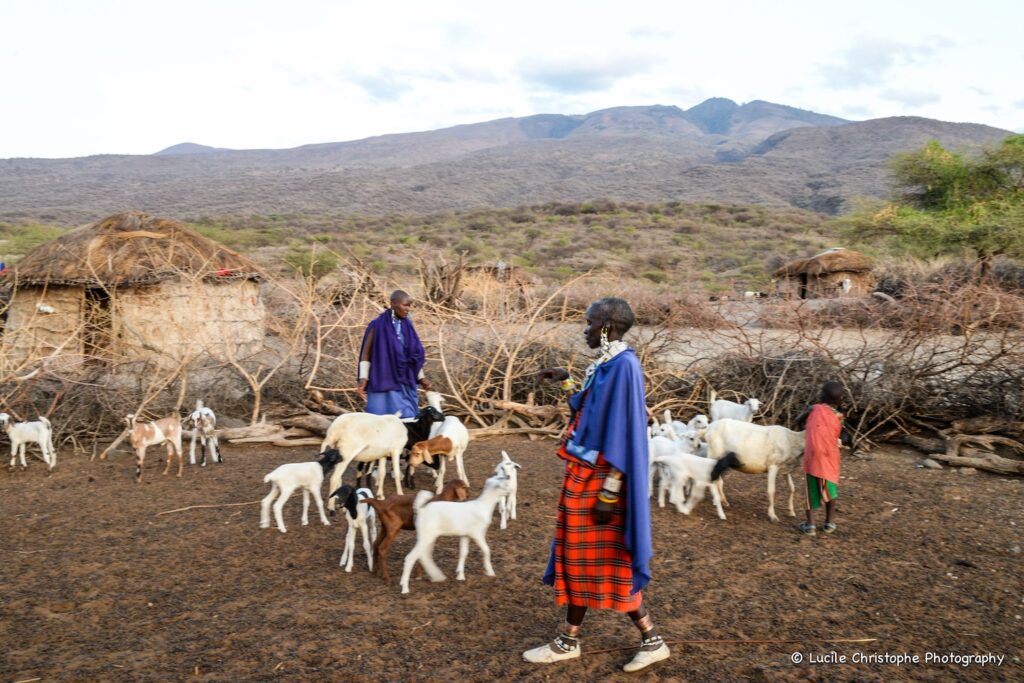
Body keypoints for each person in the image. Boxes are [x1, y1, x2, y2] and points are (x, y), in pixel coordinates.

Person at [524, 297, 669, 673]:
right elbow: (592, 410)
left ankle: (643, 640)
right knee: (583, 558)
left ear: (605, 328)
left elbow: (622, 432)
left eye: (589, 324)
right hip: (587, 473)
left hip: (605, 480)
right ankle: (575, 639)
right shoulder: (608, 364)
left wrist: (609, 492)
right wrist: (566, 379)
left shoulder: (624, 367)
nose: (585, 330)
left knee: (605, 559)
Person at [357, 290, 432, 418]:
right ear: (393, 304)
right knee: (378, 420)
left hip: (405, 380)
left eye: (409, 306)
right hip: (383, 379)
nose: (408, 309)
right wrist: (363, 378)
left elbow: (414, 355)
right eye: (405, 305)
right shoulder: (377, 325)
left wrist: (421, 378)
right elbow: (366, 353)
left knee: (407, 418)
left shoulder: (408, 326)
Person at [795, 381, 847, 535]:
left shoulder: (814, 409)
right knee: (830, 490)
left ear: (821, 396)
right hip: (829, 456)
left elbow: (798, 420)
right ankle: (829, 524)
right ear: (840, 399)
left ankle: (810, 526)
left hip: (813, 456)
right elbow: (841, 435)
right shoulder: (838, 416)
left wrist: (809, 434)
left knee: (811, 490)